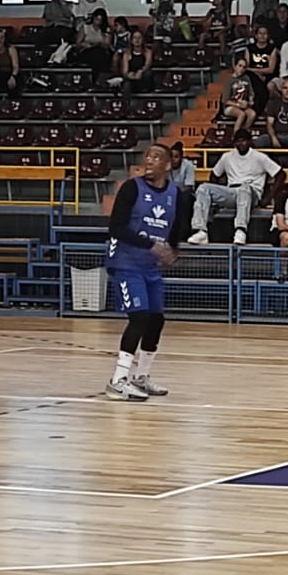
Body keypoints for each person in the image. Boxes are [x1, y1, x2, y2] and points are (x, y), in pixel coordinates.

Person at [103, 143, 189, 400]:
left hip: (150, 266)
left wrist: (173, 250)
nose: (149, 160)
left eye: (156, 157)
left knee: (156, 320)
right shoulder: (131, 188)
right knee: (139, 317)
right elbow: (116, 228)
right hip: (126, 262)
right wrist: (152, 245)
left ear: (168, 165)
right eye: (147, 156)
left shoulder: (176, 194)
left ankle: (141, 377)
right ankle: (118, 381)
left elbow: (174, 230)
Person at [191, 130, 279, 244]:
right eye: (238, 141)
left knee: (244, 188)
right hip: (231, 191)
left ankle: (240, 230)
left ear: (249, 142)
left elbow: (280, 174)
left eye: (243, 141)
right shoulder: (227, 156)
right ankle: (200, 231)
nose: (240, 144)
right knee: (203, 188)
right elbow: (214, 174)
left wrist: (268, 197)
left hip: (252, 193)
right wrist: (220, 189)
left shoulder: (259, 157)